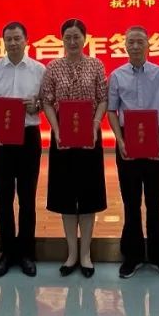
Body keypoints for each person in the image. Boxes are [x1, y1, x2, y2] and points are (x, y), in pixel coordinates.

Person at [107, 25, 159, 280]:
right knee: (131, 201)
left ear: (148, 45)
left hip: (154, 140)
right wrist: (119, 140)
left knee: (155, 202)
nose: (135, 46)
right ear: (125, 46)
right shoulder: (116, 76)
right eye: (131, 42)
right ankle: (132, 255)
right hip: (128, 141)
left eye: (140, 42)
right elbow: (112, 110)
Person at [40, 18, 108, 279]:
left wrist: (95, 124)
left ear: (84, 38)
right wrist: (56, 129)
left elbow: (103, 99)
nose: (72, 41)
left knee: (89, 195)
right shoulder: (53, 67)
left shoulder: (96, 64)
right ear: (62, 40)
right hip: (62, 137)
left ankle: (86, 253)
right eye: (67, 37)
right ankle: (71, 253)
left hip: (90, 135)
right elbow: (47, 101)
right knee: (66, 196)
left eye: (76, 36)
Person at [0, 21, 46, 278]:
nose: (13, 43)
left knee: (27, 198)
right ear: (3, 42)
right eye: (9, 39)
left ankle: (27, 253)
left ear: (26, 40)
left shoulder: (39, 70)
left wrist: (36, 106)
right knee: (4, 198)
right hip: (1, 141)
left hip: (29, 137)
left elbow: (45, 103)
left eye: (18, 38)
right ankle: (7, 252)